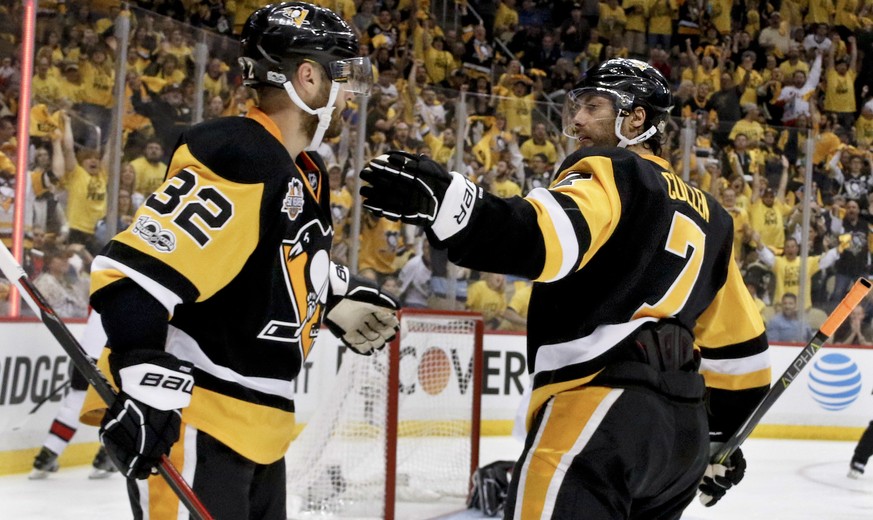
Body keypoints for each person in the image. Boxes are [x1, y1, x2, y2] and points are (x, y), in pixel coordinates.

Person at [359, 58, 771, 519]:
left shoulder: (613, 169)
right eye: (577, 107)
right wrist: (721, 439)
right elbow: (742, 353)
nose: (577, 120)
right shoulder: (714, 216)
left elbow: (549, 238)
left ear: (636, 117)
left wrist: (452, 205)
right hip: (682, 439)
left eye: (594, 106)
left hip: (600, 410)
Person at [78, 4, 398, 519]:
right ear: (308, 77)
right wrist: (143, 381)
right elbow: (135, 275)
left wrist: (331, 296)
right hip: (201, 420)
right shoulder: (238, 152)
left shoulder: (306, 172)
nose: (346, 97)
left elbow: (261, 261)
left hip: (259, 432)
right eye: (339, 78)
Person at [30, 311, 118, 480]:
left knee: (74, 404)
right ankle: (108, 455)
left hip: (84, 353)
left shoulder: (103, 289)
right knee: (119, 407)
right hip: (112, 355)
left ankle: (47, 454)